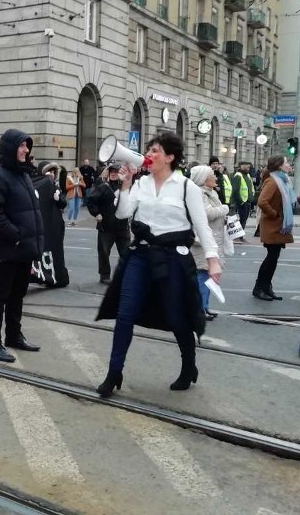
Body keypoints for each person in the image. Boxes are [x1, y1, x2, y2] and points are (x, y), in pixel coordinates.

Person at [96, 131, 220, 398]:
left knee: (177, 317)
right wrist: (126, 185)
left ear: (170, 157)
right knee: (125, 314)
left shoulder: (186, 186)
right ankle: (113, 372)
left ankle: (189, 365)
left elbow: (202, 226)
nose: (149, 155)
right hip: (140, 255)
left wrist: (213, 259)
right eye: (149, 150)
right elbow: (123, 214)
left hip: (173, 258)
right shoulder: (141, 184)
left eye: (155, 151)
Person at [0, 129, 44, 363]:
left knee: (17, 294)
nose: (26, 150)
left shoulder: (24, 176)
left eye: (27, 146)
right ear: (10, 148)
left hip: (23, 250)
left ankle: (13, 335)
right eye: (21, 146)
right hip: (8, 250)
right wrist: (16, 236)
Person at [253, 156, 296, 301]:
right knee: (271, 258)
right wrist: (275, 214)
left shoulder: (282, 180)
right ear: (279, 166)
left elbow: (288, 202)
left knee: (273, 258)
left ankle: (266, 287)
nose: (289, 165)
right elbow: (262, 202)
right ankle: (259, 288)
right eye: (286, 163)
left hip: (278, 226)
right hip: (273, 225)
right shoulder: (273, 181)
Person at [189, 165, 228, 320]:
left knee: (208, 276)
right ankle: (199, 308)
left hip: (212, 238)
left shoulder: (211, 192)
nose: (215, 177)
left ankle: (204, 306)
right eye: (212, 175)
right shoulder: (200, 193)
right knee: (203, 275)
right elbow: (208, 213)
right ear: (204, 179)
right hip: (202, 241)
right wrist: (224, 209)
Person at [86, 164, 131, 284]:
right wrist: (96, 214)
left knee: (126, 253)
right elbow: (90, 201)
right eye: (112, 171)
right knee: (104, 252)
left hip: (123, 227)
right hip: (106, 227)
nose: (114, 173)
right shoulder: (103, 187)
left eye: (116, 171)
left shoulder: (125, 188)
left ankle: (125, 274)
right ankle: (104, 275)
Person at [231, 161, 255, 234]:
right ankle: (239, 235)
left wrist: (252, 197)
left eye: (248, 166)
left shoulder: (247, 175)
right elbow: (235, 190)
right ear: (241, 166)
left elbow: (251, 187)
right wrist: (240, 201)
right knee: (242, 219)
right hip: (242, 202)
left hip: (248, 201)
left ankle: (241, 235)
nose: (248, 168)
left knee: (244, 219)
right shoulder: (238, 175)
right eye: (246, 166)